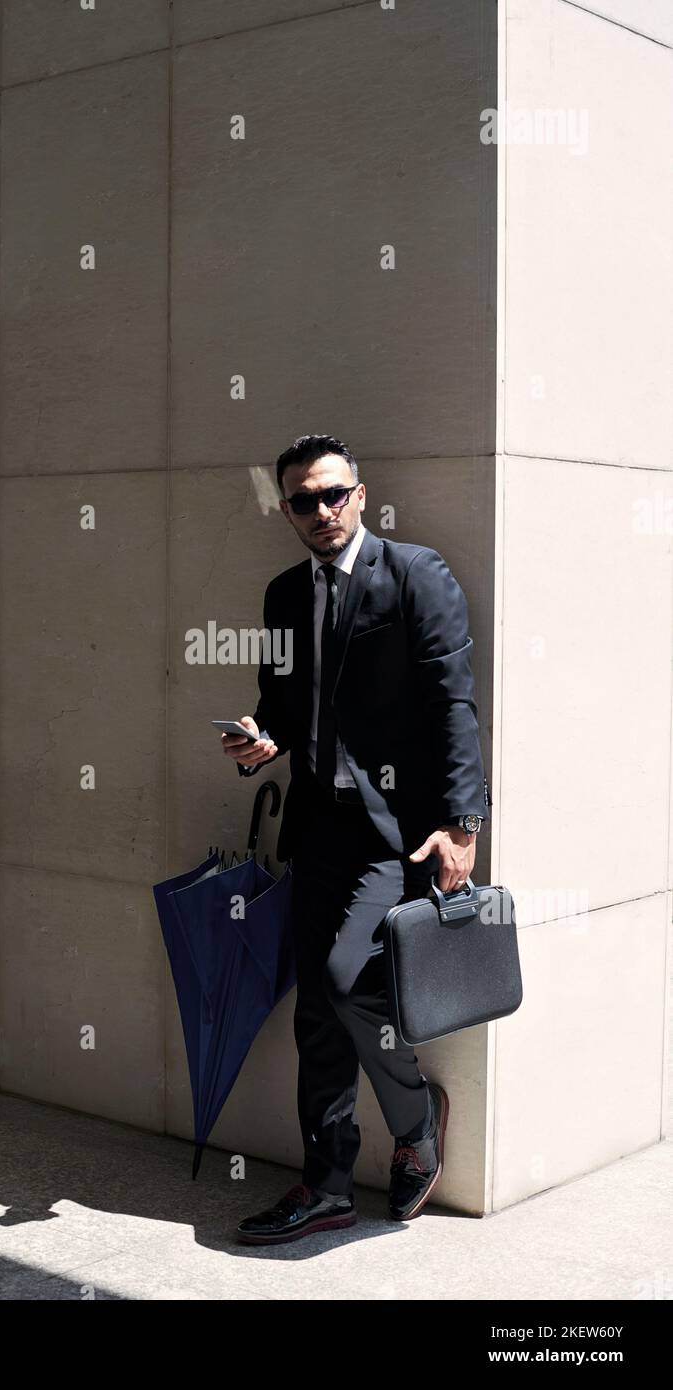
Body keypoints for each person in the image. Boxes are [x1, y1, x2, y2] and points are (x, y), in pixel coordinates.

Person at [220, 434, 489, 1244]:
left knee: (344, 984)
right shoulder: (279, 595)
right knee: (315, 1013)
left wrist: (461, 822)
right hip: (316, 826)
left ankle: (414, 1119)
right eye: (302, 500)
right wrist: (256, 740)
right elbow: (277, 701)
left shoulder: (414, 574)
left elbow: (452, 703)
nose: (321, 511)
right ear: (285, 510)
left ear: (360, 496)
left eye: (333, 494)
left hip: (393, 835)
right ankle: (327, 1182)